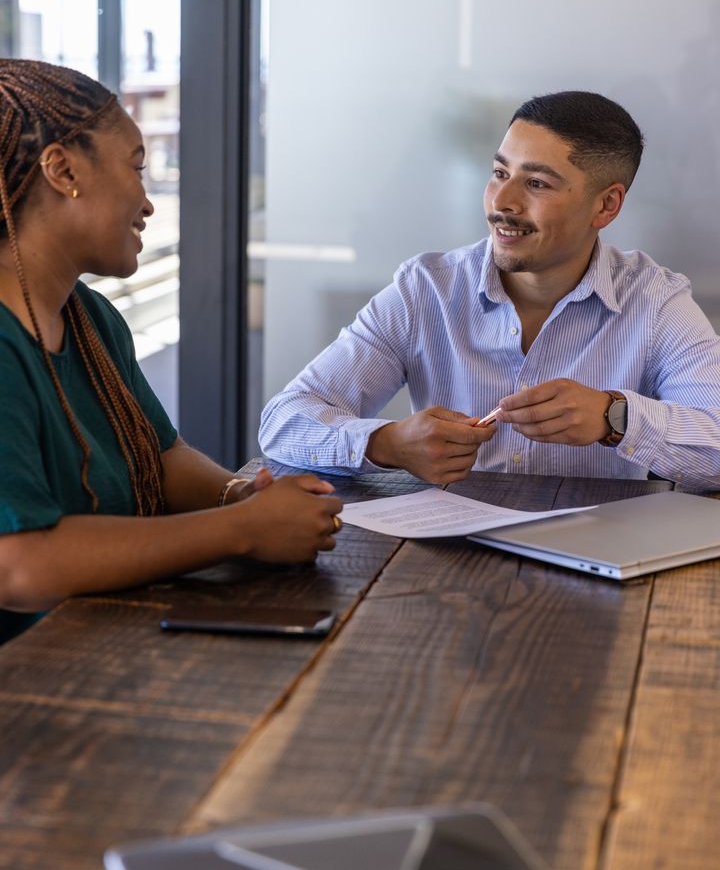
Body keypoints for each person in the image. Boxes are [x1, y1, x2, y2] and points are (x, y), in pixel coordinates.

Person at [0, 59, 342, 642]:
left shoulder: (91, 318)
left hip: (107, 649)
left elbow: (158, 455)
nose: (149, 200)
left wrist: (237, 493)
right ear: (61, 170)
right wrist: (241, 529)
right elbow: (19, 567)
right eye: (137, 166)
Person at [259, 90, 720, 490]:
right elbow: (283, 421)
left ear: (606, 205)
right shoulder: (426, 290)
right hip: (445, 562)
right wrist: (386, 444)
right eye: (500, 173)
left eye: (537, 183)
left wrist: (614, 418)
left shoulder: (656, 301)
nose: (502, 202)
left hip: (602, 566)